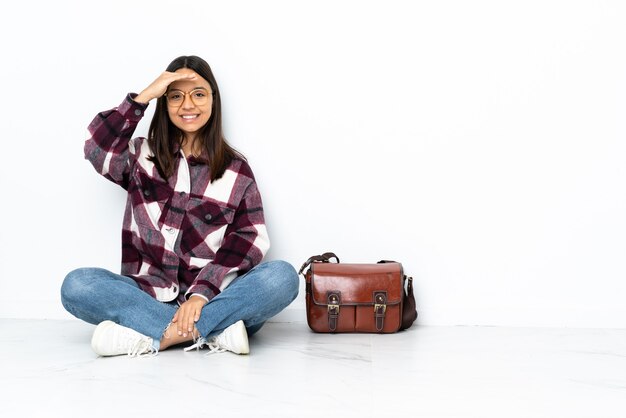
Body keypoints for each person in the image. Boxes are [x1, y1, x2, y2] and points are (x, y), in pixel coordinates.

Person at [61, 55, 299, 357]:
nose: (188, 105)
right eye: (176, 96)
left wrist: (201, 295)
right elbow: (97, 149)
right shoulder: (139, 157)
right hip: (148, 297)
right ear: (165, 102)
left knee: (281, 277)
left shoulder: (236, 170)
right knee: (77, 285)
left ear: (213, 99)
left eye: (198, 94)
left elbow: (247, 240)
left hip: (215, 300)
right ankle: (213, 333)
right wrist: (146, 95)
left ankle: (155, 336)